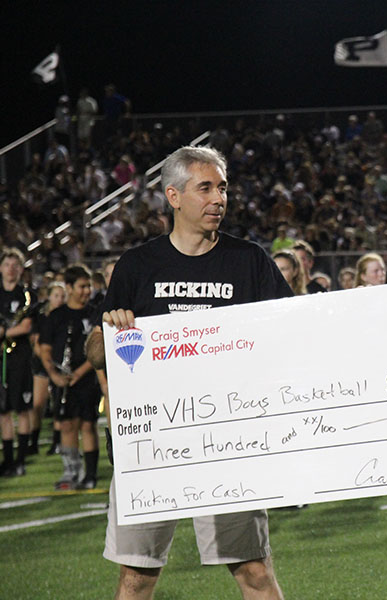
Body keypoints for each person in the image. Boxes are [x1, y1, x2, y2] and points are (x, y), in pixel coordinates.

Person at [84, 146, 289, 600]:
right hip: (154, 442)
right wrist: (112, 331)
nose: (219, 198)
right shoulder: (138, 266)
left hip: (228, 438)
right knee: (136, 576)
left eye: (223, 188)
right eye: (206, 188)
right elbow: (96, 352)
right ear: (173, 196)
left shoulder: (250, 260)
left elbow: (290, 331)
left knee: (254, 569)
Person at [39, 265, 102, 490]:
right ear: (69, 288)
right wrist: (54, 376)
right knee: (66, 426)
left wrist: (80, 371)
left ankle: (91, 474)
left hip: (86, 380)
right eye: (81, 286)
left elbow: (98, 351)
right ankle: (71, 472)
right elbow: (45, 350)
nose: (86, 291)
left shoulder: (93, 312)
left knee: (87, 425)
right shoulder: (56, 316)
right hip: (62, 381)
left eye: (88, 286)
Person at [0, 247, 34, 477]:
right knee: (2, 411)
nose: (10, 269)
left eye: (15, 265)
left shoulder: (26, 295)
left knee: (21, 409)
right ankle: (8, 460)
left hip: (20, 357)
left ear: (21, 270)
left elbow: (27, 326)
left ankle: (21, 459)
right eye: (7, 265)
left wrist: (5, 333)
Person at [30, 281, 67, 456]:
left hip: (60, 366)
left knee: (59, 404)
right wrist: (48, 361)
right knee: (38, 405)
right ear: (49, 296)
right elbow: (36, 343)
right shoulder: (42, 316)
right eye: (56, 295)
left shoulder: (65, 317)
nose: (59, 299)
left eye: (62, 296)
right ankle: (33, 441)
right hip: (43, 365)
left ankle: (57, 442)